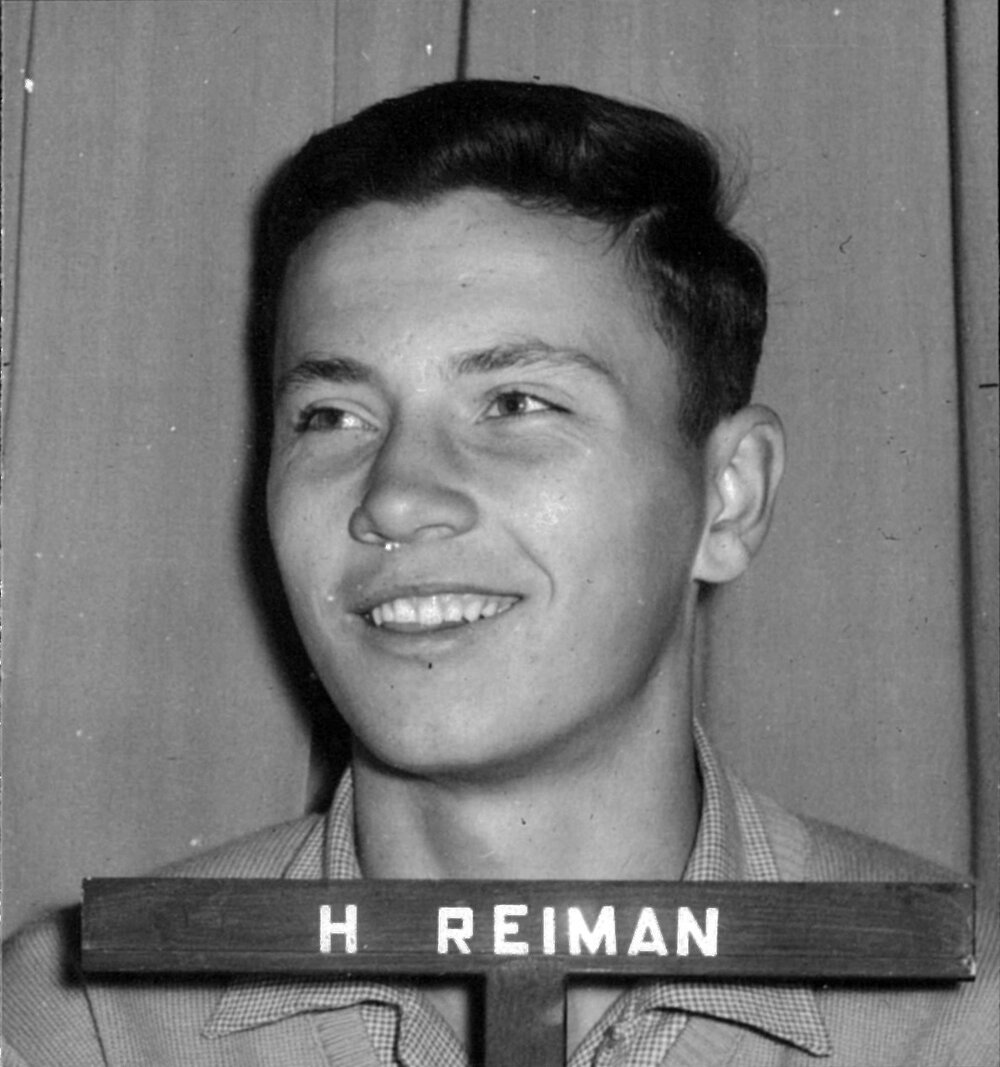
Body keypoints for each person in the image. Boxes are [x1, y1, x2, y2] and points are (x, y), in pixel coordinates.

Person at [4, 79, 996, 1066]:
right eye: (331, 417)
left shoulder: (963, 1022)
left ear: (728, 496)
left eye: (517, 403)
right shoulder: (86, 1025)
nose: (397, 497)